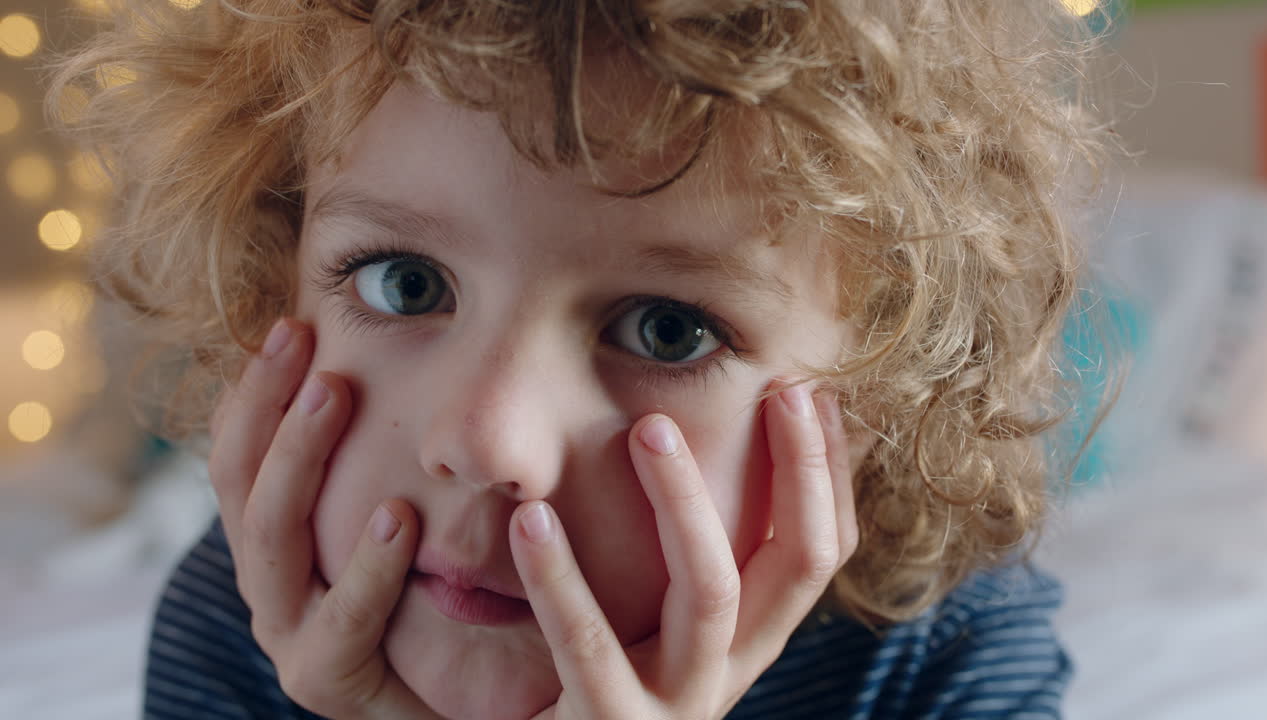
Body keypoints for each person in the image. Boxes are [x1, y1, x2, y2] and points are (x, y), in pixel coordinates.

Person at [50, 0, 1113, 717]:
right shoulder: (240, 620)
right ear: (271, 279)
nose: (481, 439)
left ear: (875, 400)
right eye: (403, 283)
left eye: (665, 329)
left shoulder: (941, 660)